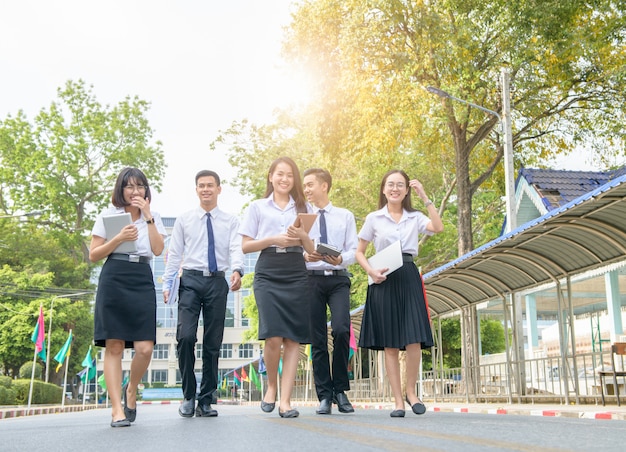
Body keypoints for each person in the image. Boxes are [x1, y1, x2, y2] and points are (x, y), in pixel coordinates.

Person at [355, 169, 443, 418]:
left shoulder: (414, 217)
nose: (395, 188)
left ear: (406, 190)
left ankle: (411, 392)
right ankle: (397, 401)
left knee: (413, 338)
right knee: (391, 344)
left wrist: (424, 196)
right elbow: (359, 251)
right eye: (390, 184)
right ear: (383, 189)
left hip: (407, 274)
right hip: (382, 277)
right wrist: (370, 271)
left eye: (400, 185)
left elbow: (437, 227)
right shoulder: (374, 218)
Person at [239, 156, 317, 418]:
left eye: (290, 175)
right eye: (279, 174)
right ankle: (271, 385)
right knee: (273, 336)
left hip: (296, 270)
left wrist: (302, 236)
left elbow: (311, 250)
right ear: (270, 176)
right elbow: (246, 246)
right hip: (268, 270)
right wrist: (273, 238)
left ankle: (285, 401)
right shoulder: (257, 207)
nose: (284, 179)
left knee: (293, 338)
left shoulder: (304, 207)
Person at [162, 170, 244, 418]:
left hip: (217, 282)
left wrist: (238, 270)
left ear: (219, 189)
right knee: (185, 337)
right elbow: (175, 254)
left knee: (213, 343)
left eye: (210, 185)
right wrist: (167, 284)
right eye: (201, 186)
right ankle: (188, 395)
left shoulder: (231, 221)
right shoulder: (184, 220)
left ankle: (206, 399)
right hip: (190, 281)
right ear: (196, 190)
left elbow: (235, 248)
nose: (205, 189)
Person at [89, 167, 166, 427]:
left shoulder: (152, 217)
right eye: (130, 186)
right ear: (120, 189)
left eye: (140, 186)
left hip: (141, 277)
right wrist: (119, 238)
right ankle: (116, 409)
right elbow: (94, 254)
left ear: (146, 191)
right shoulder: (108, 216)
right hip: (114, 276)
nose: (135, 191)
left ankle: (131, 388)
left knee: (145, 348)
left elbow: (157, 250)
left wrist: (148, 217)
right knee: (115, 346)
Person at [302, 168, 358, 415]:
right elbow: (296, 250)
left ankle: (340, 390)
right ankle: (324, 395)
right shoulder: (302, 217)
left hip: (338, 279)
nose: (306, 189)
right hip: (311, 280)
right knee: (317, 339)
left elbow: (353, 250)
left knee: (342, 329)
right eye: (304, 185)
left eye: (310, 184)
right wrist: (305, 255)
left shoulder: (345, 215)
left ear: (324, 186)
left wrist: (341, 260)